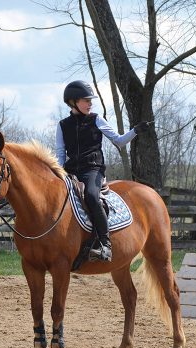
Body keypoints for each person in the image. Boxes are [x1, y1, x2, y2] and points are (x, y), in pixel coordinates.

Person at [56, 80, 150, 262]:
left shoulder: (96, 119)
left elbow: (119, 141)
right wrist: (58, 174)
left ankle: (105, 244)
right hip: (71, 172)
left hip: (93, 170)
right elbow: (60, 154)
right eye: (86, 100)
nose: (90, 104)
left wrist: (135, 131)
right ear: (73, 102)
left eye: (90, 101)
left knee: (91, 195)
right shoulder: (62, 125)